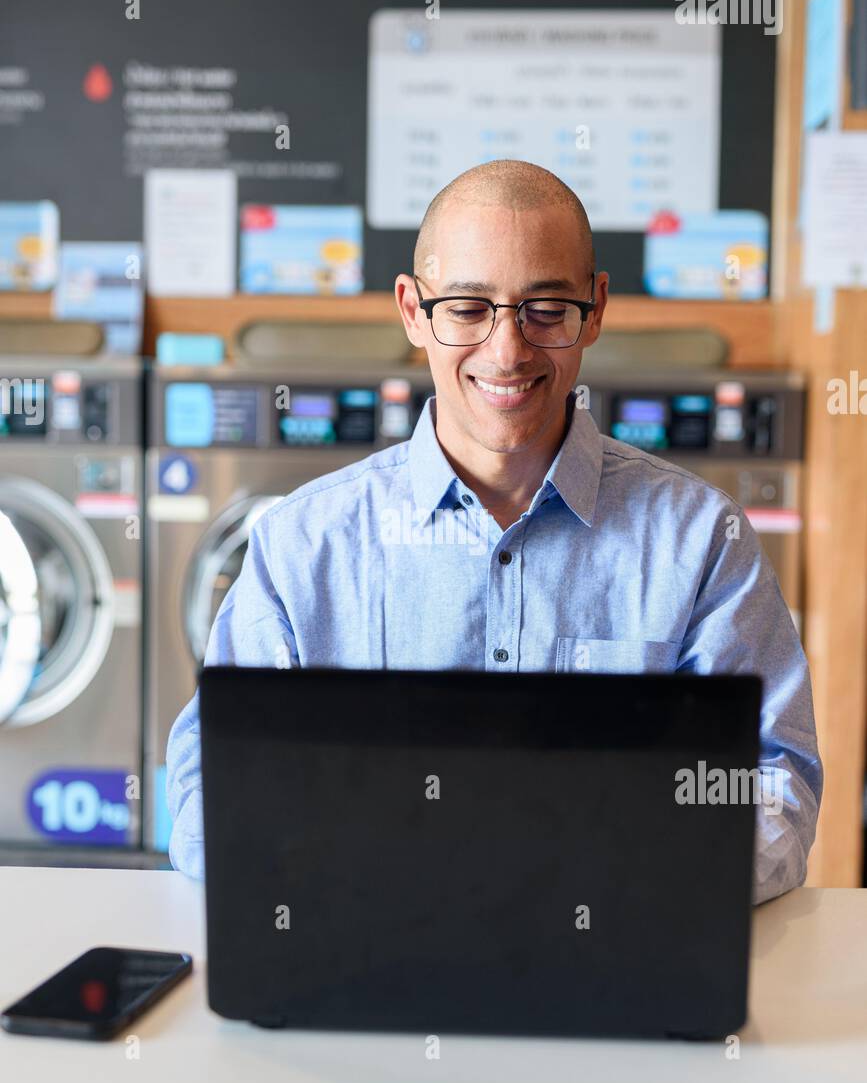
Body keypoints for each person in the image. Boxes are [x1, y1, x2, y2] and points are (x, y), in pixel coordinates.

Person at [166, 159, 821, 903]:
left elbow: (773, 781)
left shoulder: (702, 542)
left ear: (595, 308)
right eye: (468, 308)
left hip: (615, 946)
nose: (507, 351)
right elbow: (206, 784)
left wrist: (626, 881)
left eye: (544, 308)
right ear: (414, 311)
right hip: (364, 947)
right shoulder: (301, 545)